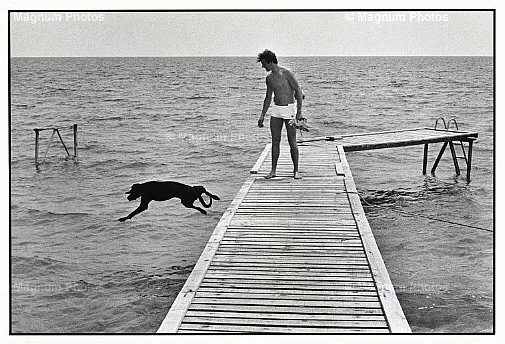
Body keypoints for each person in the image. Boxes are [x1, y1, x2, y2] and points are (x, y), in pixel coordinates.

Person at [257, 49, 304, 179]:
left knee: (292, 141)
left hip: (289, 110)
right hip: (276, 110)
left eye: (264, 64)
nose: (263, 66)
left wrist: (299, 112)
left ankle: (296, 171)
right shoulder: (269, 78)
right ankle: (273, 171)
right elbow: (268, 97)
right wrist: (262, 115)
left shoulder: (287, 73)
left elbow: (298, 92)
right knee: (275, 141)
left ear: (270, 61)